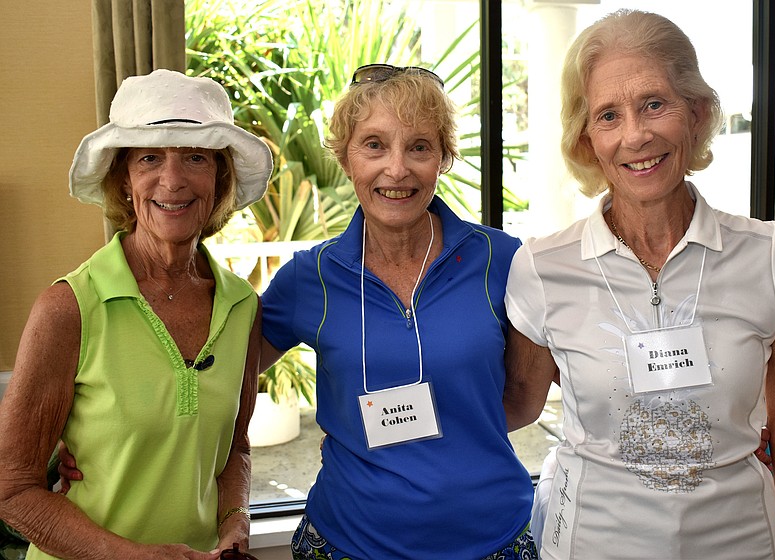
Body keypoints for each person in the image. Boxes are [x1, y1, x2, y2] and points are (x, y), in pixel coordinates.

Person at [502, 9, 775, 560]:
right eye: (608, 115)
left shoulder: (774, 258)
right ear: (587, 139)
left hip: (742, 545)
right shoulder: (542, 268)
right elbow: (513, 407)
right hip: (589, 545)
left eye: (655, 104)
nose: (636, 135)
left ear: (696, 113)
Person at [259, 64, 537, 559]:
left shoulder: (503, 260)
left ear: (443, 158)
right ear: (345, 158)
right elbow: (221, 382)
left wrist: (454, 435)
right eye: (374, 145)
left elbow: (523, 397)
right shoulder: (309, 278)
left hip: (491, 539)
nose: (397, 169)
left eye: (419, 147)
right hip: (348, 544)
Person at [0, 69, 272, 559]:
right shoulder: (69, 307)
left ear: (219, 178)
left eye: (195, 157)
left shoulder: (241, 305)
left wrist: (235, 520)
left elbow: (235, 449)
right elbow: (12, 491)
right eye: (150, 158)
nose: (173, 180)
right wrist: (136, 556)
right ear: (124, 179)